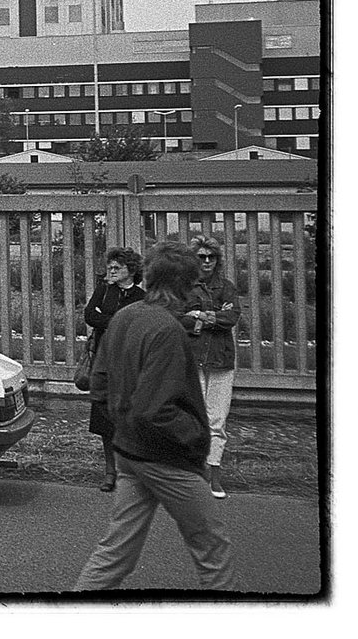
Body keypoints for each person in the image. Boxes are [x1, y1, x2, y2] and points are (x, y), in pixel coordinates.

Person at [74, 240, 238, 590]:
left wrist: (122, 422)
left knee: (115, 553)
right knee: (213, 548)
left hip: (128, 453)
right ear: (186, 285)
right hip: (167, 457)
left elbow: (99, 384)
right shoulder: (167, 330)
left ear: (148, 276)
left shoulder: (124, 317)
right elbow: (156, 409)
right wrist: (196, 438)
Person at [83, 247, 146, 492]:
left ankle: (129, 471)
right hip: (103, 361)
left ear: (131, 270)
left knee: (127, 419)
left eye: (116, 268)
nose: (111, 271)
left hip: (129, 365)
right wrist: (117, 321)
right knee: (104, 421)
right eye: (109, 267)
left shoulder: (140, 297)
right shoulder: (104, 290)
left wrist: (107, 319)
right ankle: (110, 472)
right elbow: (90, 315)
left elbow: (138, 325)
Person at [185, 233, 240, 499]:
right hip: (193, 359)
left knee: (217, 419)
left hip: (220, 359)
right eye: (201, 257)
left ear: (217, 260)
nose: (207, 261)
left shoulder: (226, 287)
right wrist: (211, 317)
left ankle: (214, 474)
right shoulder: (184, 286)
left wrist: (201, 317)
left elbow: (231, 316)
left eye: (211, 257)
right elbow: (177, 316)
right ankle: (195, 472)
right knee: (194, 416)